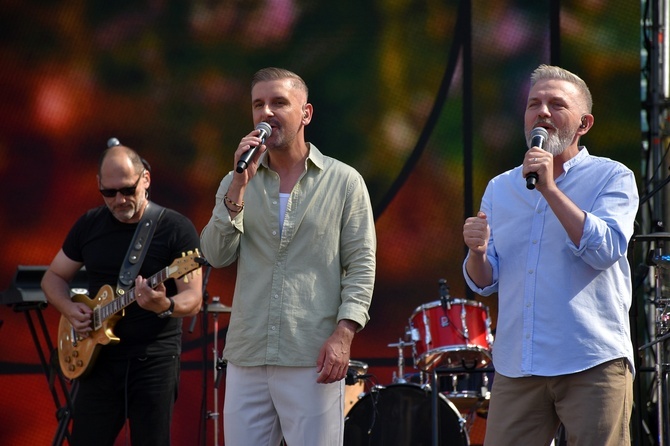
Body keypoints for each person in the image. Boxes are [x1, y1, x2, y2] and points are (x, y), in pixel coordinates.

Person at [462, 64, 638, 445]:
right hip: (518, 365)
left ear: (583, 123)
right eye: (533, 104)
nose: (542, 112)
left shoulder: (612, 177)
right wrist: (476, 252)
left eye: (556, 104)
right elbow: (485, 281)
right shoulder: (501, 187)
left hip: (590, 360)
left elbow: (605, 249)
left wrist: (550, 190)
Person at [200, 67, 376, 446]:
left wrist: (344, 335)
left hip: (310, 356)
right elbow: (215, 254)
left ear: (306, 113)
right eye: (258, 104)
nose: (266, 112)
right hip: (247, 354)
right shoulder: (237, 181)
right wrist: (237, 188)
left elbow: (361, 265)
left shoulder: (344, 182)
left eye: (279, 102)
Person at [41, 143, 203, 446]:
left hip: (153, 361)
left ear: (146, 179)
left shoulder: (175, 229)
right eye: (109, 193)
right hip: (99, 361)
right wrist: (68, 308)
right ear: (99, 186)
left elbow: (192, 299)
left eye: (127, 190)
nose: (119, 200)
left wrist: (164, 304)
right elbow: (53, 277)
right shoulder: (89, 224)